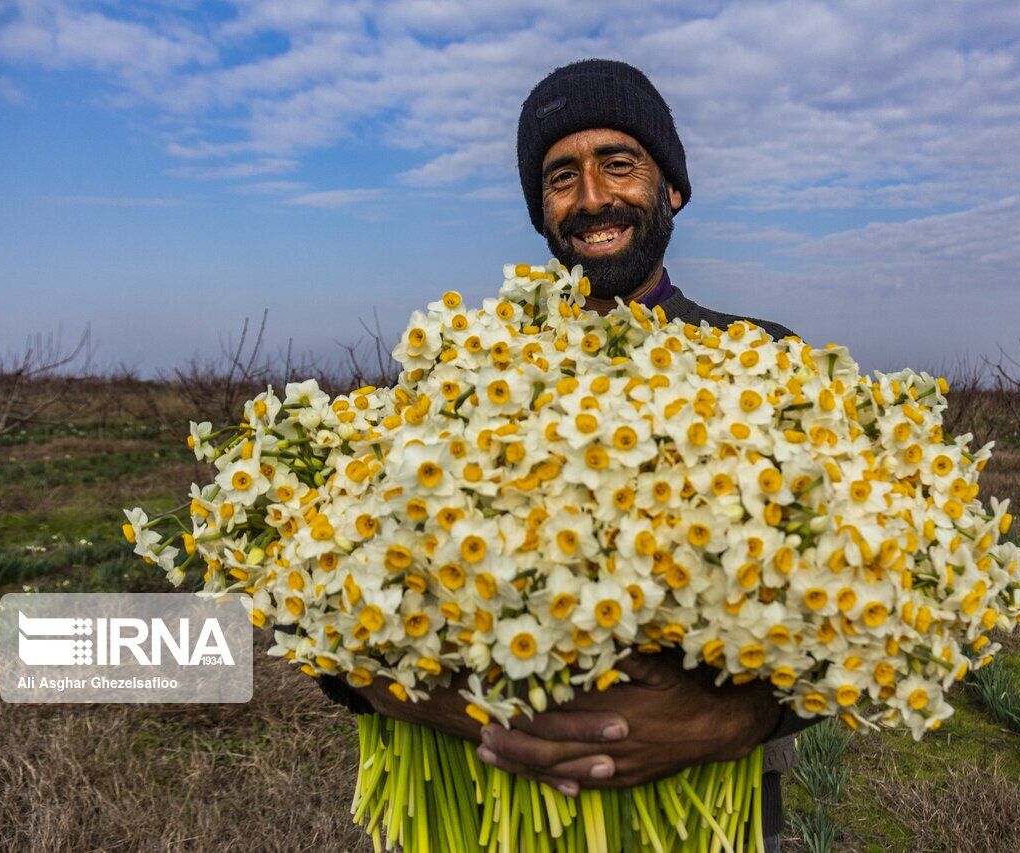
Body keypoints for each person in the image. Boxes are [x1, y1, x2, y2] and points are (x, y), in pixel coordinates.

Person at [318, 59, 820, 851]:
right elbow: (336, 582)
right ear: (539, 211)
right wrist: (404, 688)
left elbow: (851, 610)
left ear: (673, 188)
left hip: (709, 812)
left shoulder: (766, 361)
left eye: (619, 163)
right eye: (561, 177)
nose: (591, 198)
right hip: (488, 812)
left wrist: (734, 717)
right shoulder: (463, 371)